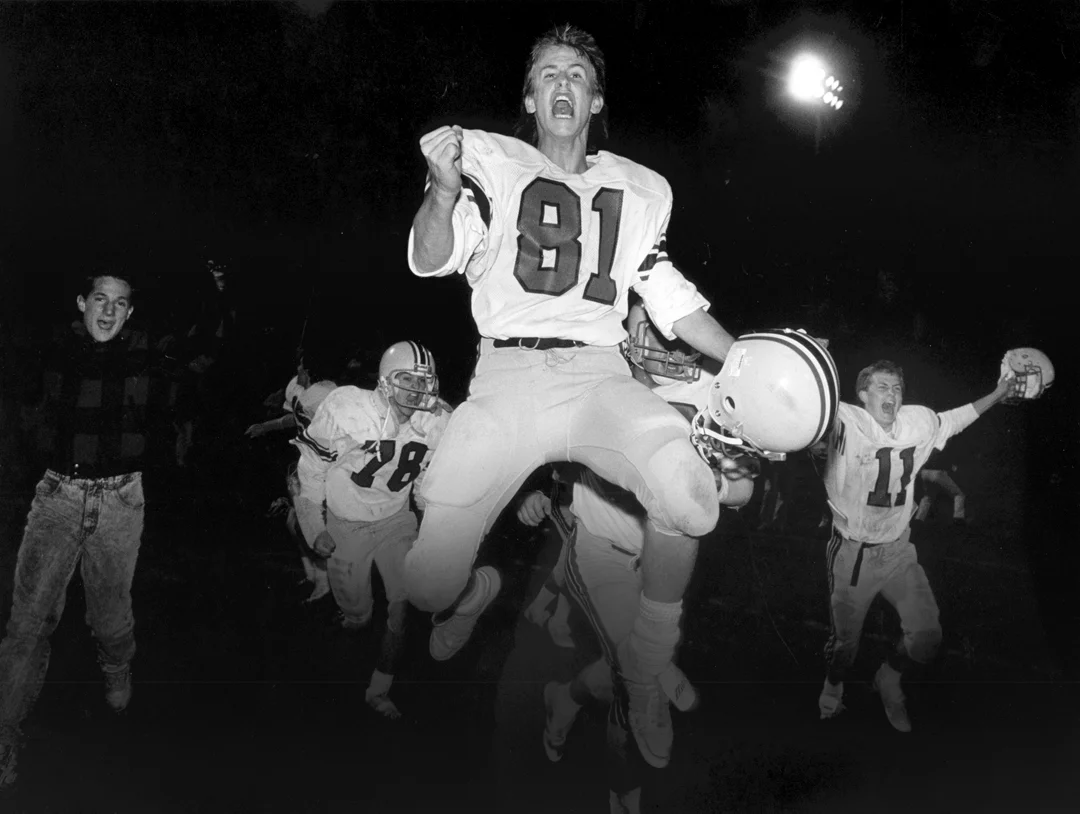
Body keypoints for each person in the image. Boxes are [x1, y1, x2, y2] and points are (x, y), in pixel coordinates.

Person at [405, 24, 738, 767]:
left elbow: (674, 303)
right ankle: (472, 591)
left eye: (578, 75)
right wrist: (441, 186)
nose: (562, 85)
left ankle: (648, 662)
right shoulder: (490, 164)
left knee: (690, 494)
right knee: (427, 587)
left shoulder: (639, 187)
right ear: (530, 96)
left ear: (595, 101)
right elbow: (431, 259)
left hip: (597, 377)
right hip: (506, 381)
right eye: (548, 74)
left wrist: (744, 359)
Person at [520, 318, 836, 811]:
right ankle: (624, 793)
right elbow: (542, 436)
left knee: (628, 663)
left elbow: (743, 488)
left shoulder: (720, 389)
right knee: (634, 684)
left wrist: (707, 482)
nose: (671, 344)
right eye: (655, 330)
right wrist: (535, 489)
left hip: (666, 562)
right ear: (629, 327)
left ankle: (566, 698)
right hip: (603, 549)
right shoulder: (600, 373)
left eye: (676, 333)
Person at [0, 272, 184, 789]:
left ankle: (116, 666)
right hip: (58, 497)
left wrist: (219, 292)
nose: (108, 311)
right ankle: (4, 732)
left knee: (110, 615)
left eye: (120, 304)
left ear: (130, 314)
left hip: (122, 501)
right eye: (99, 299)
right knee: (27, 622)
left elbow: (207, 354)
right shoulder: (51, 352)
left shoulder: (149, 358)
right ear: (81, 303)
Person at [817, 360, 1016, 732]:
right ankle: (831, 690)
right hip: (853, 555)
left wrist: (999, 393)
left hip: (897, 551)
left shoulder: (917, 422)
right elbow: (808, 419)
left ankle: (888, 678)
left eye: (896, 388)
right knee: (844, 646)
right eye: (881, 387)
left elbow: (955, 419)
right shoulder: (845, 419)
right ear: (862, 395)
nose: (891, 394)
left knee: (926, 637)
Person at [293, 341, 451, 719]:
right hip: (347, 525)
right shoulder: (348, 408)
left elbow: (424, 479)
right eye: (406, 379)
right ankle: (345, 624)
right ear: (384, 380)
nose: (416, 389)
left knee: (402, 605)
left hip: (397, 521)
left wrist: (434, 514)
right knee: (359, 616)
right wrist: (314, 526)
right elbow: (310, 471)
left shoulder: (437, 421)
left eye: (423, 382)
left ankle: (379, 689)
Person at [248, 353, 339, 603]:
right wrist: (265, 427)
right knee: (295, 522)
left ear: (309, 369)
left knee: (312, 525)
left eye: (300, 365)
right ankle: (312, 575)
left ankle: (324, 585)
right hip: (303, 463)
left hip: (323, 466)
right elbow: (296, 418)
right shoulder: (301, 390)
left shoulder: (327, 394)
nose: (296, 369)